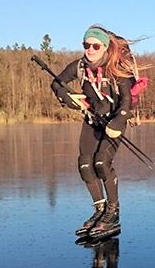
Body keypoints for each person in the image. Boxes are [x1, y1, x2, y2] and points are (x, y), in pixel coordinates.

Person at [51, 25, 138, 238]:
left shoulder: (116, 69)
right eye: (86, 45)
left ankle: (113, 211)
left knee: (101, 163)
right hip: (92, 120)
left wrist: (118, 121)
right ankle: (99, 211)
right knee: (85, 165)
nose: (90, 49)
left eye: (95, 46)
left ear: (105, 47)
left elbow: (127, 100)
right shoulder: (80, 66)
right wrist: (67, 97)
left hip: (114, 122)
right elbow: (56, 83)